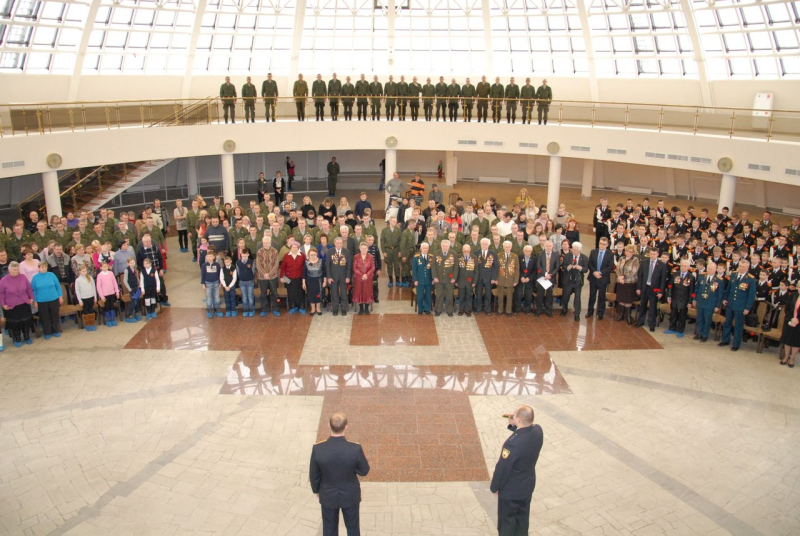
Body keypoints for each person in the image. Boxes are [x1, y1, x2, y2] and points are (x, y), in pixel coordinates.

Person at [309, 412, 370, 536]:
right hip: (350, 495)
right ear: (346, 427)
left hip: (327, 495)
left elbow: (314, 475)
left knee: (329, 529)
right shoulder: (354, 449)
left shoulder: (318, 449)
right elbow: (364, 470)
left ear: (328, 426)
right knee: (353, 529)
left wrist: (316, 491)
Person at [490, 405, 544, 536]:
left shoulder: (511, 444)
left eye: (514, 415)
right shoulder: (538, 431)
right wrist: (514, 425)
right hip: (527, 486)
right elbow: (525, 433)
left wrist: (494, 487)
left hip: (510, 492)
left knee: (507, 523)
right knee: (522, 520)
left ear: (518, 420)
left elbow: (502, 468)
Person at [719, 259, 757, 351]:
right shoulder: (733, 275)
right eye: (740, 266)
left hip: (741, 306)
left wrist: (747, 308)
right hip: (730, 304)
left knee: (738, 326)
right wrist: (725, 298)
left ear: (748, 268)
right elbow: (729, 289)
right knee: (727, 323)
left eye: (743, 267)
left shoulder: (750, 279)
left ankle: (736, 344)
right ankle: (725, 340)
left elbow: (751, 295)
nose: (741, 268)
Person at [0, 262, 34, 347]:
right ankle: (17, 338)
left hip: (24, 303)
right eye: (14, 270)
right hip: (11, 306)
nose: (16, 271)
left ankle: (27, 337)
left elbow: (29, 288)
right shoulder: (3, 280)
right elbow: (1, 294)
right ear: (9, 270)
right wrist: (3, 304)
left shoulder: (23, 277)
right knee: (15, 324)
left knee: (25, 321)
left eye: (18, 269)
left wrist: (31, 297)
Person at [635, 248, 669, 332]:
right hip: (644, 287)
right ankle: (640, 321)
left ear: (657, 254)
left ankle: (652, 324)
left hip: (654, 289)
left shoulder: (662, 265)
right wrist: (639, 288)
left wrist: (661, 291)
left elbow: (663, 280)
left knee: (653, 307)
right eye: (651, 254)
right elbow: (640, 276)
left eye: (654, 254)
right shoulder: (644, 263)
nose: (652, 256)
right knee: (642, 305)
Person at [693, 260, 725, 342]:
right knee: (700, 318)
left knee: (707, 320)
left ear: (715, 270)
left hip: (710, 303)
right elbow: (696, 289)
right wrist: (695, 299)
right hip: (700, 301)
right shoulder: (701, 276)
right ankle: (699, 333)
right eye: (708, 268)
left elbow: (720, 294)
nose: (709, 270)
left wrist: (718, 306)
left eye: (711, 269)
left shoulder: (719, 280)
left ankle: (705, 335)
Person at [664, 258, 695, 337]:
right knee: (673, 313)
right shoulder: (675, 274)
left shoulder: (691, 277)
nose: (683, 267)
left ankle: (680, 330)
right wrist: (669, 296)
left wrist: (690, 301)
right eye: (682, 266)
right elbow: (670, 286)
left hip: (684, 299)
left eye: (685, 266)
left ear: (688, 267)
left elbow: (692, 291)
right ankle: (672, 328)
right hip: (674, 297)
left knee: (682, 315)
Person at [586, 237, 614, 320]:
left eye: (604, 244)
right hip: (593, 277)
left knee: (601, 296)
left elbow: (610, 267)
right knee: (592, 295)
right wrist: (594, 272)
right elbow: (590, 263)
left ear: (607, 245)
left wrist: (600, 273)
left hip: (603, 278)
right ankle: (590, 311)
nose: (602, 245)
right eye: (601, 244)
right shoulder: (593, 252)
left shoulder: (610, 254)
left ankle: (600, 313)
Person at [326, 237, 351, 317]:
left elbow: (348, 265)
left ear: (342, 243)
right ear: (334, 244)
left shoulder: (346, 252)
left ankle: (344, 309)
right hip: (333, 276)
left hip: (343, 276)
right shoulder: (330, 252)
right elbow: (328, 265)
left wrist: (348, 276)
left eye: (340, 243)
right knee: (334, 293)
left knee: (344, 293)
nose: (339, 244)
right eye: (337, 243)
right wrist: (329, 277)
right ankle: (335, 309)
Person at [615, 244, 640, 324]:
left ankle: (628, 316)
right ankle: (620, 315)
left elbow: (634, 271)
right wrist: (619, 276)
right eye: (627, 251)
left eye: (630, 252)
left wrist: (624, 277)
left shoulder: (635, 260)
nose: (628, 253)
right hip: (620, 282)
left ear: (633, 252)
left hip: (630, 283)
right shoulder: (622, 258)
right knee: (621, 299)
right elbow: (617, 268)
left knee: (628, 300)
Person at [535, 240, 559, 317]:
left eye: (550, 246)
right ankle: (539, 309)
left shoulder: (556, 255)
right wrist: (545, 274)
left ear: (552, 247)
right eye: (547, 246)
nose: (548, 247)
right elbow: (538, 265)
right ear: (544, 246)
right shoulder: (539, 254)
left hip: (551, 278)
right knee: (540, 295)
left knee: (549, 295)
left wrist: (550, 275)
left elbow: (557, 267)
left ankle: (548, 310)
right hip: (542, 277)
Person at [352, 242, 375, 315]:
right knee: (359, 292)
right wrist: (361, 275)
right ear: (360, 249)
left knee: (367, 292)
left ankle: (366, 308)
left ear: (368, 249)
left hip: (368, 278)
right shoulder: (356, 257)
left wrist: (366, 274)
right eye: (362, 248)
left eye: (365, 248)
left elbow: (373, 267)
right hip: (358, 278)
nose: (364, 249)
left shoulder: (371, 257)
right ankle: (361, 308)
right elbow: (354, 268)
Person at [96, 261, 120, 327]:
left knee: (112, 306)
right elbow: (98, 287)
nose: (105, 268)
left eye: (106, 266)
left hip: (112, 293)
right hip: (105, 294)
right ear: (101, 268)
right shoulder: (99, 275)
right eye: (104, 267)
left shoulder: (111, 273)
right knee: (107, 307)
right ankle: (108, 320)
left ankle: (113, 319)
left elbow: (115, 283)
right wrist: (102, 296)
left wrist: (117, 292)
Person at [75, 264, 98, 331]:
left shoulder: (90, 277)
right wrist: (80, 300)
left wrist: (95, 297)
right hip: (83, 298)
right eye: (82, 271)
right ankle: (87, 325)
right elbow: (77, 291)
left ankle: (92, 323)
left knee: (91, 310)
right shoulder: (78, 280)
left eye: (85, 271)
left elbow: (94, 287)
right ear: (79, 272)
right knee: (85, 311)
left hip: (90, 297)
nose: (84, 272)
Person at [303, 249, 326, 316]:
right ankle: (313, 309)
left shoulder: (321, 261)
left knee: (319, 294)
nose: (313, 256)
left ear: (317, 254)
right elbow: (304, 274)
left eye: (314, 255)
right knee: (311, 295)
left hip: (319, 280)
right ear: (309, 255)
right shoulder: (306, 262)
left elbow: (324, 272)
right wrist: (303, 283)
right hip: (310, 281)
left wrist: (325, 281)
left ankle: (318, 308)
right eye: (311, 255)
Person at [413, 242, 433, 315]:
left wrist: (433, 279)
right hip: (420, 280)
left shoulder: (431, 257)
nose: (425, 249)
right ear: (421, 248)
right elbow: (414, 270)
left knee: (428, 295)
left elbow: (433, 270)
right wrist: (415, 280)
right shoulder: (416, 257)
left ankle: (427, 309)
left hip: (428, 280)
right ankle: (420, 309)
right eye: (424, 248)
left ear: (428, 249)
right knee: (420, 296)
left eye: (426, 248)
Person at [780, 289, 800, 367]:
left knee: (796, 341)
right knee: (787, 339)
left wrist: (797, 320)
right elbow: (787, 308)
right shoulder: (793, 295)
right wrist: (791, 319)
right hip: (789, 320)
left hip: (798, 323)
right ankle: (786, 356)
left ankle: (792, 358)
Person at [236, 248, 256, 317]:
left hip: (250, 281)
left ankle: (251, 309)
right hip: (242, 282)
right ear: (241, 255)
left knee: (250, 296)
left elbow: (253, 271)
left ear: (248, 255)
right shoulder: (238, 262)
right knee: (244, 296)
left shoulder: (251, 262)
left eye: (246, 256)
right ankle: (245, 309)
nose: (244, 257)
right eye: (243, 256)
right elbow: (238, 272)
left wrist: (250, 277)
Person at [122, 257, 142, 322]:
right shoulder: (127, 270)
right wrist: (129, 289)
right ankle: (130, 315)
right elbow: (125, 281)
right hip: (131, 288)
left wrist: (139, 286)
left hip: (136, 287)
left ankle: (137, 313)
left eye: (133, 262)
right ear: (128, 263)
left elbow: (137, 278)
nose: (132, 264)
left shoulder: (135, 269)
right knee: (133, 301)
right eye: (131, 263)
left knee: (137, 301)